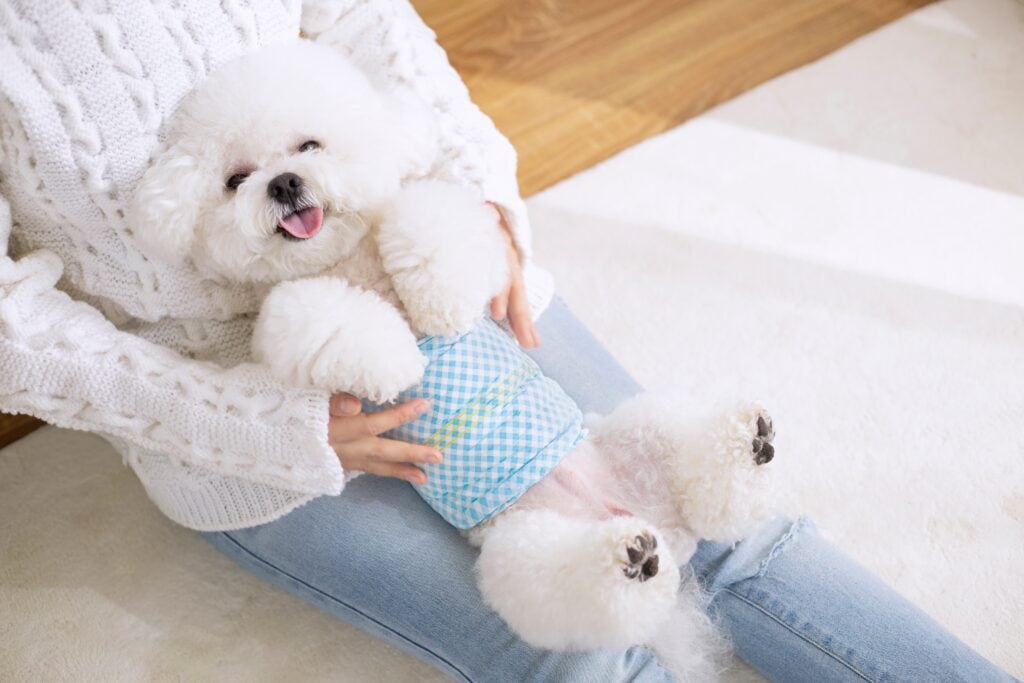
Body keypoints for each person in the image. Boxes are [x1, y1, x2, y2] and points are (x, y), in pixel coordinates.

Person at [0, 1, 1014, 681]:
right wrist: (259, 419)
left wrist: (479, 202)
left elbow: (366, 23)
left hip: (419, 253)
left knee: (717, 523)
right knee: (576, 644)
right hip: (225, 400)